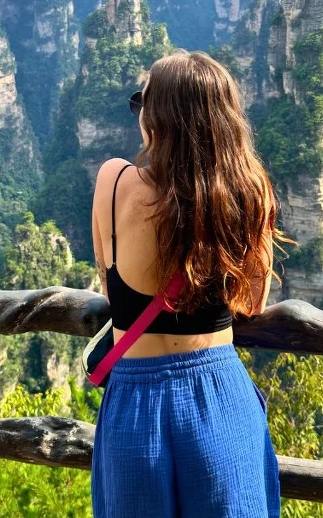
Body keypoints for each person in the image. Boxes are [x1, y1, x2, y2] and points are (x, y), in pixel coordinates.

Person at [90, 50, 286, 518]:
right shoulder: (248, 192)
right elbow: (253, 302)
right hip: (220, 397)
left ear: (157, 118)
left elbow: (107, 283)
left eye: (142, 103)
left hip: (135, 406)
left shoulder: (113, 182)